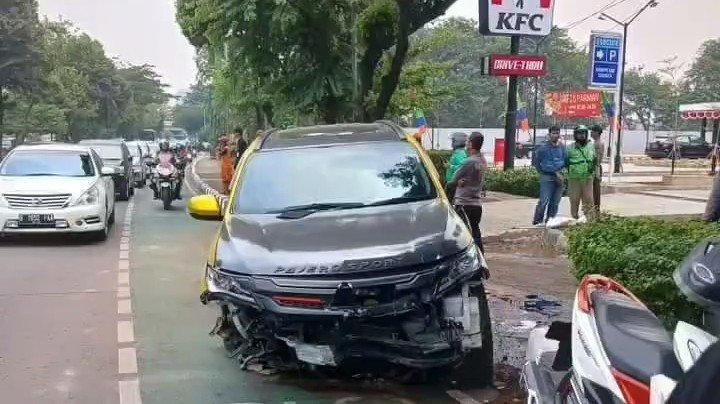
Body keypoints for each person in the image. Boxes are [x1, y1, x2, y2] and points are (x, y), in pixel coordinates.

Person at [448, 132, 487, 254]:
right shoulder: (482, 160)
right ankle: (480, 255)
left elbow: (452, 180)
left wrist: (456, 181)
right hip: (477, 204)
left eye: (468, 141)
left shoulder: (468, 162)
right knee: (475, 233)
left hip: (464, 203)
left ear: (470, 144)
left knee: (459, 235)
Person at [532, 126, 567, 225]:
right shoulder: (543, 148)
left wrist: (562, 173)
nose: (555, 135)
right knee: (544, 200)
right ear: (549, 134)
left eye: (557, 133)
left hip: (560, 177)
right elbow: (537, 162)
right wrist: (543, 172)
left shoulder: (562, 147)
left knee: (555, 202)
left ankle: (550, 221)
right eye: (553, 133)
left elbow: (566, 161)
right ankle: (537, 221)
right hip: (547, 177)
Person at [566, 125, 596, 220]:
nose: (581, 135)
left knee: (588, 200)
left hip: (587, 178)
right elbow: (566, 162)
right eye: (579, 133)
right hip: (574, 178)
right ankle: (574, 218)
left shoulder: (591, 146)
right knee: (574, 199)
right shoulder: (570, 147)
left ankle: (590, 220)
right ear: (575, 135)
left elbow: (595, 160)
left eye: (583, 133)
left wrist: (593, 170)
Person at [445, 132, 469, 203]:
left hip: (453, 184)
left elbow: (463, 167)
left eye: (453, 141)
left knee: (448, 204)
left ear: (457, 142)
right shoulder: (457, 153)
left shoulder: (460, 154)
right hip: (451, 182)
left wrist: (450, 166)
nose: (451, 143)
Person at [590, 125, 604, 211]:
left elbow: (598, 159)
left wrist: (595, 171)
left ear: (597, 133)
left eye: (592, 131)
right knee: (592, 191)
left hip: (595, 169)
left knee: (595, 191)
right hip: (593, 168)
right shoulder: (594, 143)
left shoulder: (599, 143)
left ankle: (596, 210)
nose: (591, 133)